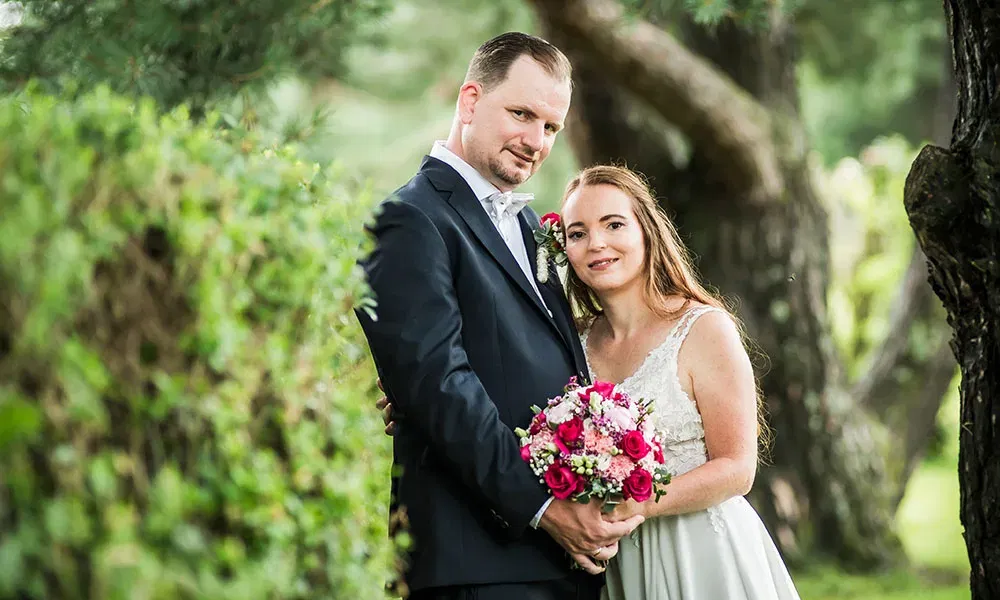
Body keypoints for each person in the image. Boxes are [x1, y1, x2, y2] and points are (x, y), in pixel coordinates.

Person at [355, 33, 643, 600]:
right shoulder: (409, 219)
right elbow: (439, 385)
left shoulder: (532, 226)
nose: (536, 141)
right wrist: (544, 507)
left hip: (555, 563)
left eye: (551, 127)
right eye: (521, 114)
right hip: (477, 561)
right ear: (469, 101)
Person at [561, 165, 800, 600]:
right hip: (616, 564)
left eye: (614, 224)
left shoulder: (704, 328)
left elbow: (737, 468)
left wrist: (637, 503)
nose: (596, 243)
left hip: (703, 552)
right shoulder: (568, 342)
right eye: (577, 233)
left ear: (647, 231)